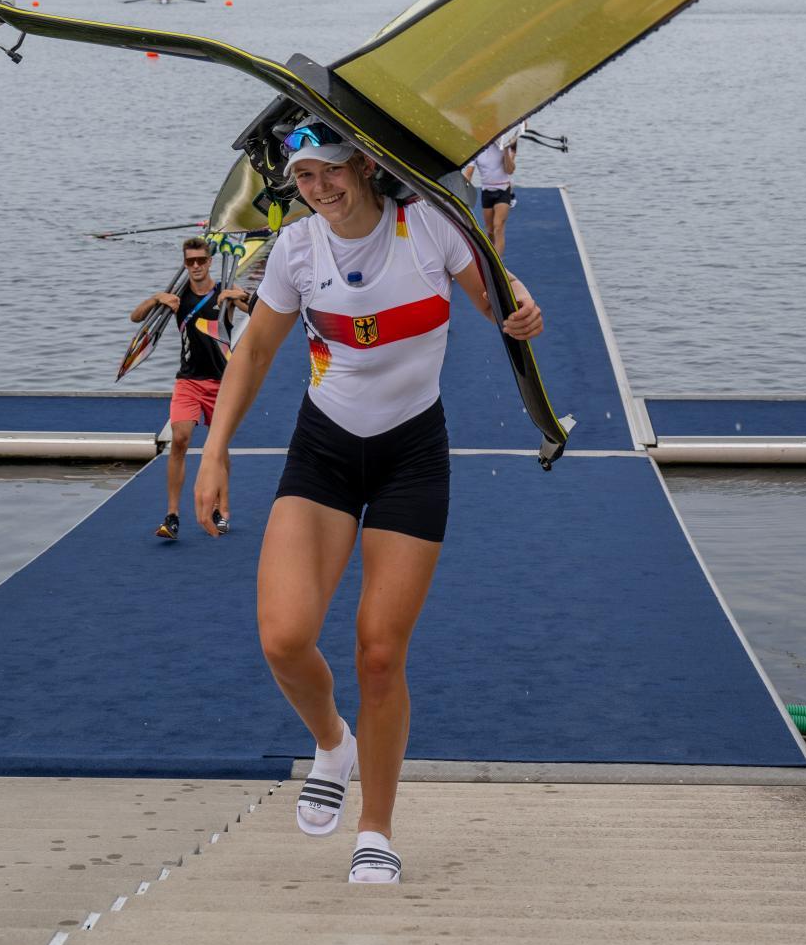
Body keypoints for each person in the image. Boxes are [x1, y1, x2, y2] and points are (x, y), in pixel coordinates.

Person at [192, 125, 543, 885]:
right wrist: (214, 451)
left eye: (330, 170)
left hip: (411, 457)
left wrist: (519, 307)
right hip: (323, 451)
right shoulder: (296, 248)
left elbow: (496, 297)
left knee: (380, 654)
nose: (319, 188)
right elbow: (254, 352)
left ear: (361, 164)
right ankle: (332, 744)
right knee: (284, 640)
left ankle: (376, 830)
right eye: (303, 176)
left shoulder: (432, 225)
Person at [130, 238, 249, 541]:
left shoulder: (224, 291)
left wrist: (240, 295)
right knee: (180, 440)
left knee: (218, 447)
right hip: (188, 381)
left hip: (222, 383)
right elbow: (136, 317)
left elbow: (259, 310)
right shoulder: (177, 297)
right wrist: (156, 298)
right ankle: (172, 516)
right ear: (185, 264)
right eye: (190, 261)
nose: (195, 266)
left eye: (200, 260)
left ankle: (221, 510)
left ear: (209, 261)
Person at [464, 136, 516, 257]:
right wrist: (461, 192)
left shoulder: (502, 144)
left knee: (498, 227)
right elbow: (468, 174)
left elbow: (510, 170)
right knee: (490, 231)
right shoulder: (476, 149)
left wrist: (505, 150)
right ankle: (493, 258)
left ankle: (498, 263)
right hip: (486, 192)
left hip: (503, 190)